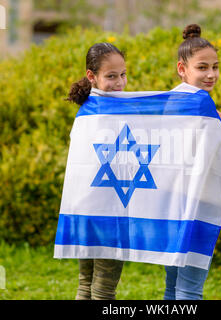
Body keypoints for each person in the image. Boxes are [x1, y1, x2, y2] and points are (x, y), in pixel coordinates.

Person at [164, 24, 221, 300]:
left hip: (170, 205)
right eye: (202, 67)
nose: (211, 74)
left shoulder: (169, 101)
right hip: (197, 206)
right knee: (190, 290)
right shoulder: (202, 106)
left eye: (215, 66)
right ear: (182, 69)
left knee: (173, 286)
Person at [66, 42, 127, 300]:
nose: (120, 82)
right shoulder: (115, 110)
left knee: (85, 285)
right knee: (103, 291)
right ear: (92, 77)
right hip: (109, 211)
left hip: (84, 209)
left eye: (123, 74)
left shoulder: (86, 111)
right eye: (111, 76)